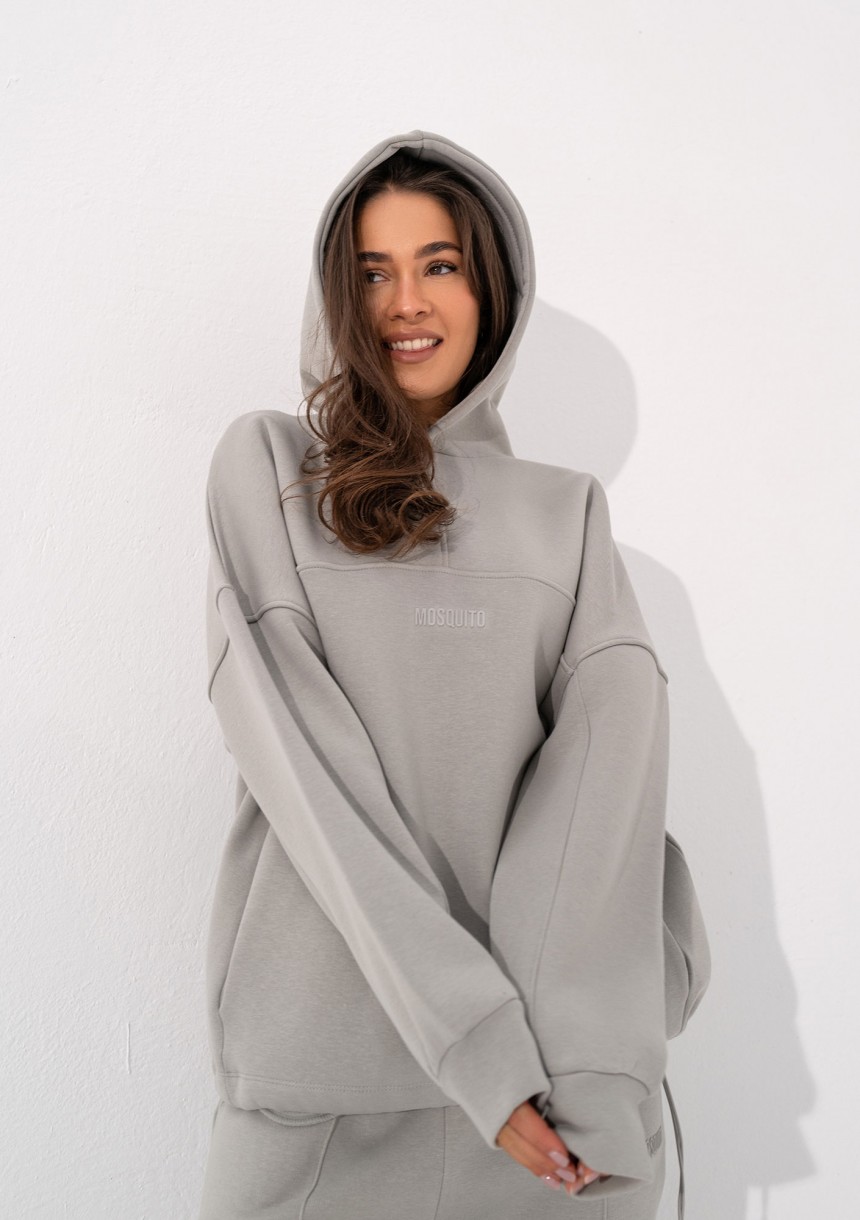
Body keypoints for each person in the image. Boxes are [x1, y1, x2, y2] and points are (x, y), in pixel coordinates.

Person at [196, 130, 710, 1220]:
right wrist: (471, 1041)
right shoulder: (270, 472)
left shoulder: (565, 515)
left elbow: (605, 807)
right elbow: (310, 780)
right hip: (324, 1094)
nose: (405, 303)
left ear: (493, 290)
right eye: (371, 272)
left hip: (550, 1115)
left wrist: (592, 1071)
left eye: (439, 264)